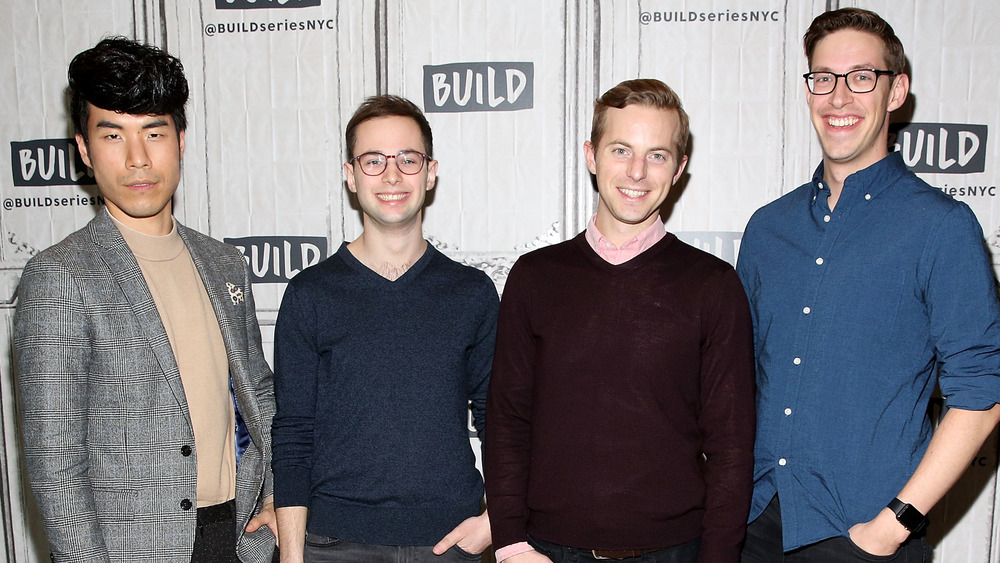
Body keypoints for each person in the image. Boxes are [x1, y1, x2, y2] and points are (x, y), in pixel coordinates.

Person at [737, 8, 1000, 561]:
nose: (839, 96)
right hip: (755, 521)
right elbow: (738, 376)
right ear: (808, 91)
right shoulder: (767, 228)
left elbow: (981, 391)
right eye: (823, 78)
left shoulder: (941, 227)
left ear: (896, 90)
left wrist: (892, 525)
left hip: (864, 534)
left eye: (861, 77)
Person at [13, 37, 277, 562]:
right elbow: (55, 467)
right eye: (113, 135)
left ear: (180, 139)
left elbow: (257, 395)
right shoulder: (59, 276)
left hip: (237, 541)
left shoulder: (223, 263)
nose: (137, 158)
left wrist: (274, 497)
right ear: (85, 149)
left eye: (153, 132)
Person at [485, 78, 757, 563]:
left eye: (657, 155)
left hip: (676, 552)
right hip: (545, 551)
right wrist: (508, 543)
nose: (637, 171)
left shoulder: (713, 285)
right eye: (620, 150)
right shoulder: (535, 277)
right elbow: (507, 420)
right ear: (591, 156)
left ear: (679, 170)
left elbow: (731, 446)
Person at [270, 94, 498, 563]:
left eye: (407, 160)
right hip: (334, 545)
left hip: (450, 543)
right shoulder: (311, 294)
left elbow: (500, 421)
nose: (391, 176)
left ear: (430, 172)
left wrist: (495, 518)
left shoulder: (471, 292)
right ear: (350, 175)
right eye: (373, 161)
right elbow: (293, 433)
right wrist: (292, 559)